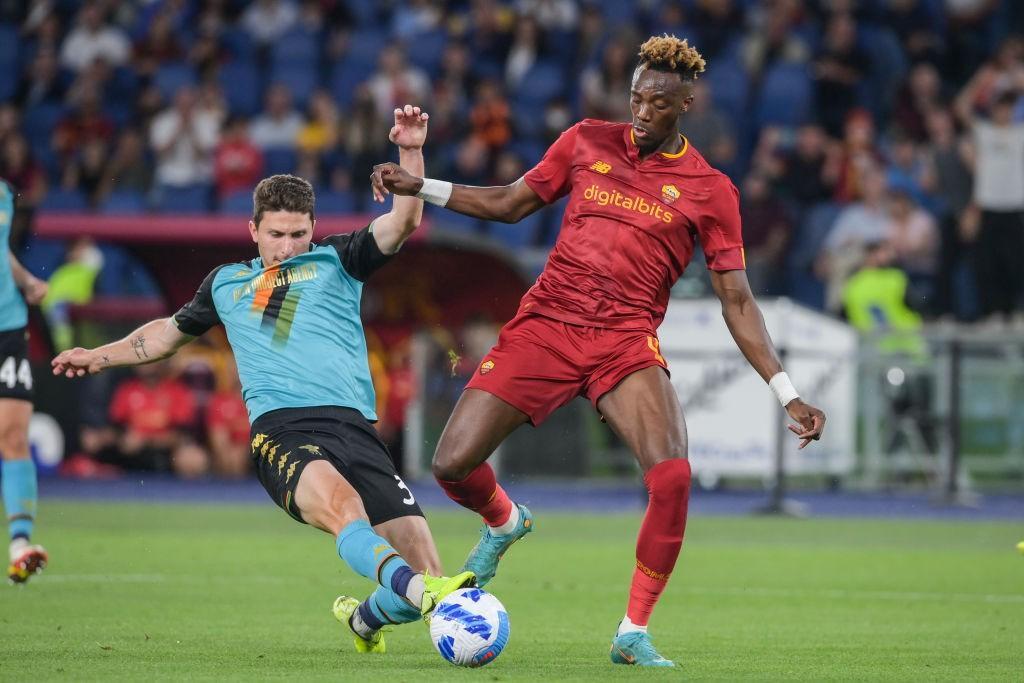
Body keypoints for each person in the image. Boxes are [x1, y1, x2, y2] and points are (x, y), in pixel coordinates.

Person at [371, 35, 827, 667]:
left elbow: (739, 302)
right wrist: (421, 186)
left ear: (685, 105)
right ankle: (504, 521)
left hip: (624, 342)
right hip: (548, 324)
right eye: (636, 97)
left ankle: (632, 630)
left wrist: (787, 392)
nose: (641, 112)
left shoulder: (710, 189)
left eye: (658, 104)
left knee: (671, 476)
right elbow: (510, 203)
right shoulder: (588, 140)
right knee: (451, 464)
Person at [51, 106, 475, 652]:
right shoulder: (226, 284)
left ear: (313, 229)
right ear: (253, 230)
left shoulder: (338, 259)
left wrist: (410, 150)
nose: (288, 246)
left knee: (424, 562)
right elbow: (164, 335)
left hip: (356, 430)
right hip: (283, 432)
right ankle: (424, 593)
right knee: (346, 511)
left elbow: (404, 222)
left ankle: (367, 618)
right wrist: (98, 356)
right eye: (276, 234)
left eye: (299, 233)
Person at [0, 179, 49, 583]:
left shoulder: (2, 191)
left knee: (14, 435)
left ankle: (20, 544)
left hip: (8, 326)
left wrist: (25, 279)